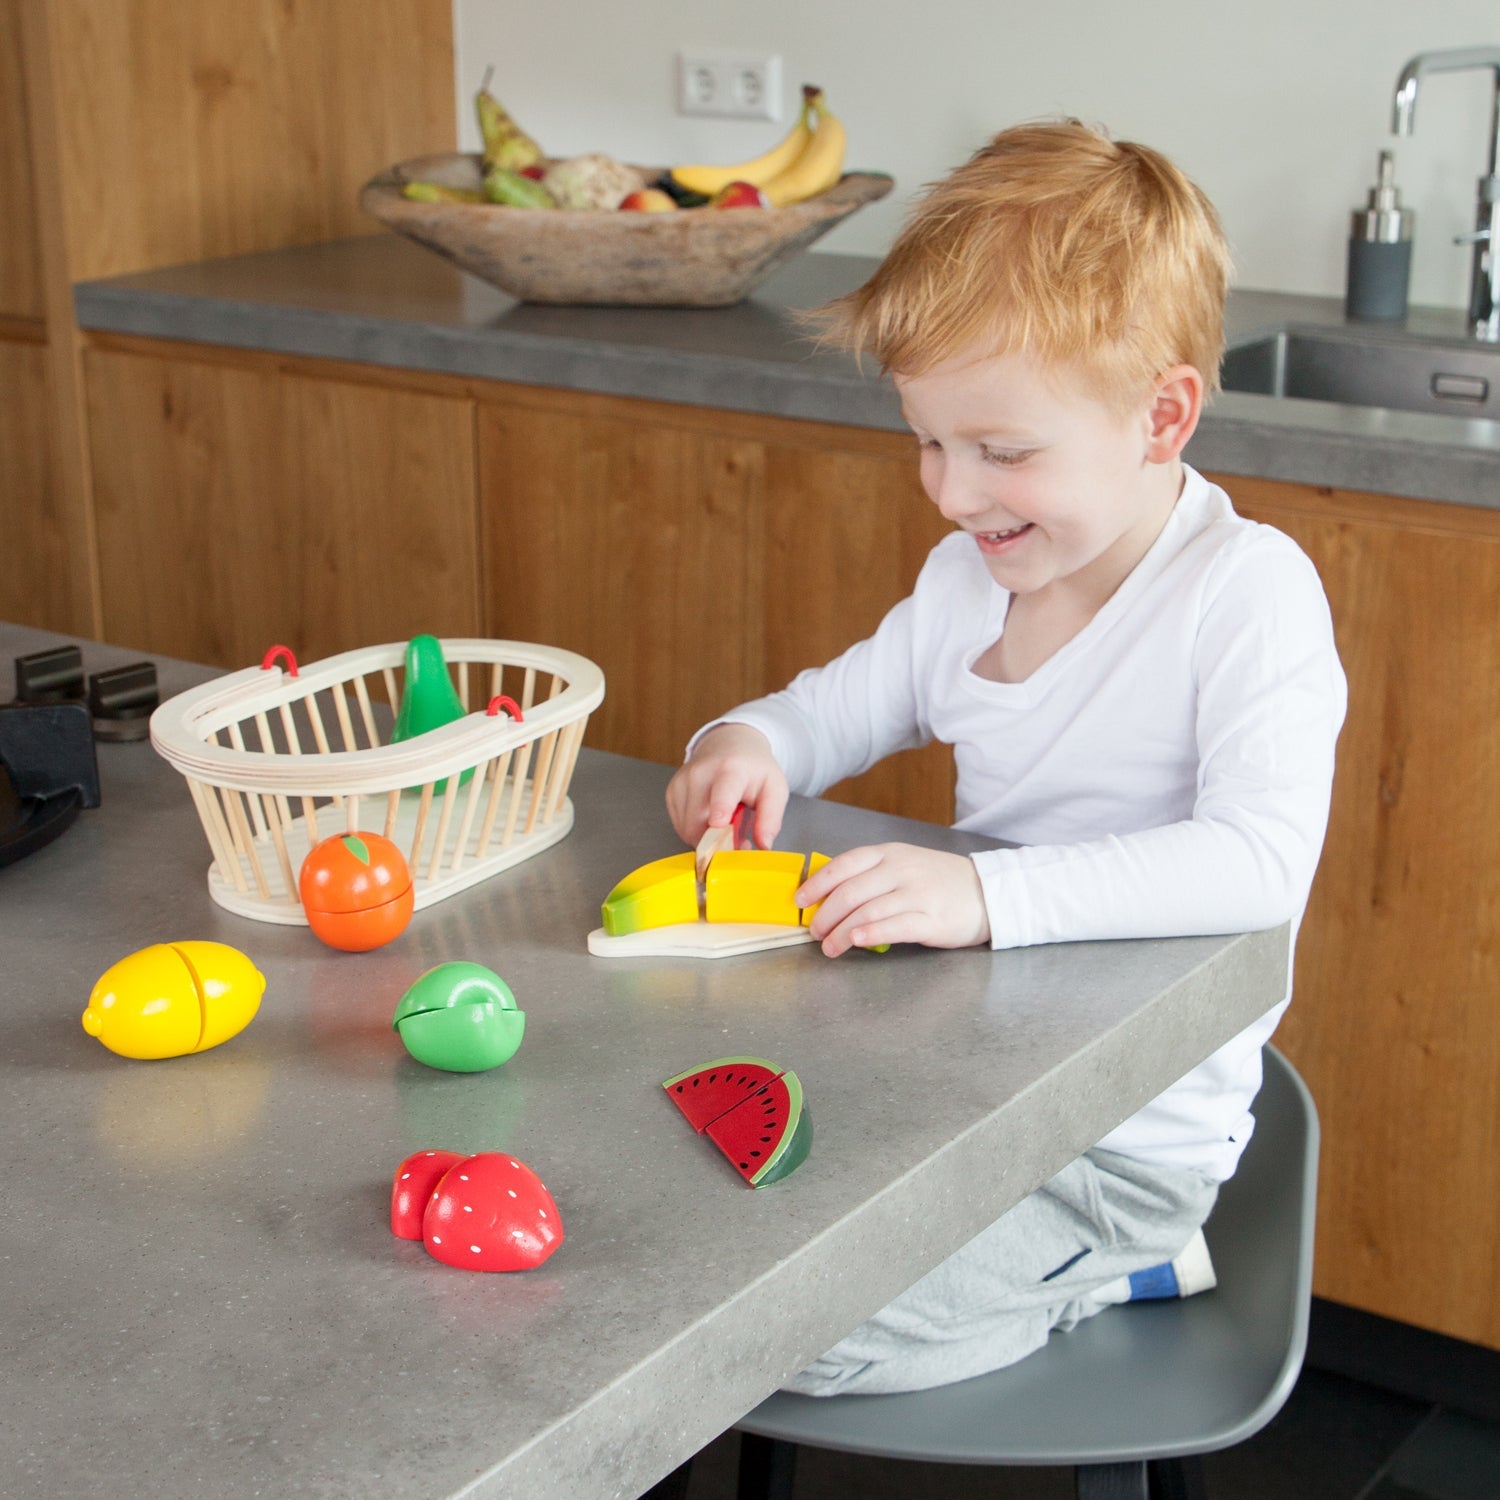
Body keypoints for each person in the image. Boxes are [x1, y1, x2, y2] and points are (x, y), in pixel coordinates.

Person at [665, 120, 1347, 1397]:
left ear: (1162, 415)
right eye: (929, 439)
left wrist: (986, 895)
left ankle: (1127, 1263)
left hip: (1115, 1148)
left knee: (782, 1348)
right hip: (960, 1088)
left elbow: (1259, 864)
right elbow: (833, 710)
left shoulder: (1245, 593)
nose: (949, 490)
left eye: (1003, 451)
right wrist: (745, 742)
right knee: (692, 1269)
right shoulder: (971, 574)